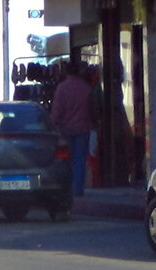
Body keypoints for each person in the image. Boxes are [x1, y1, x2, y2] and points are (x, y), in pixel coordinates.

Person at [51, 60, 95, 197]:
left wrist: (54, 123)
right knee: (80, 159)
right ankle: (78, 189)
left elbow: (57, 110)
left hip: (65, 129)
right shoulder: (86, 88)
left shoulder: (62, 88)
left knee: (66, 160)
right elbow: (92, 108)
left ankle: (68, 187)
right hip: (83, 127)